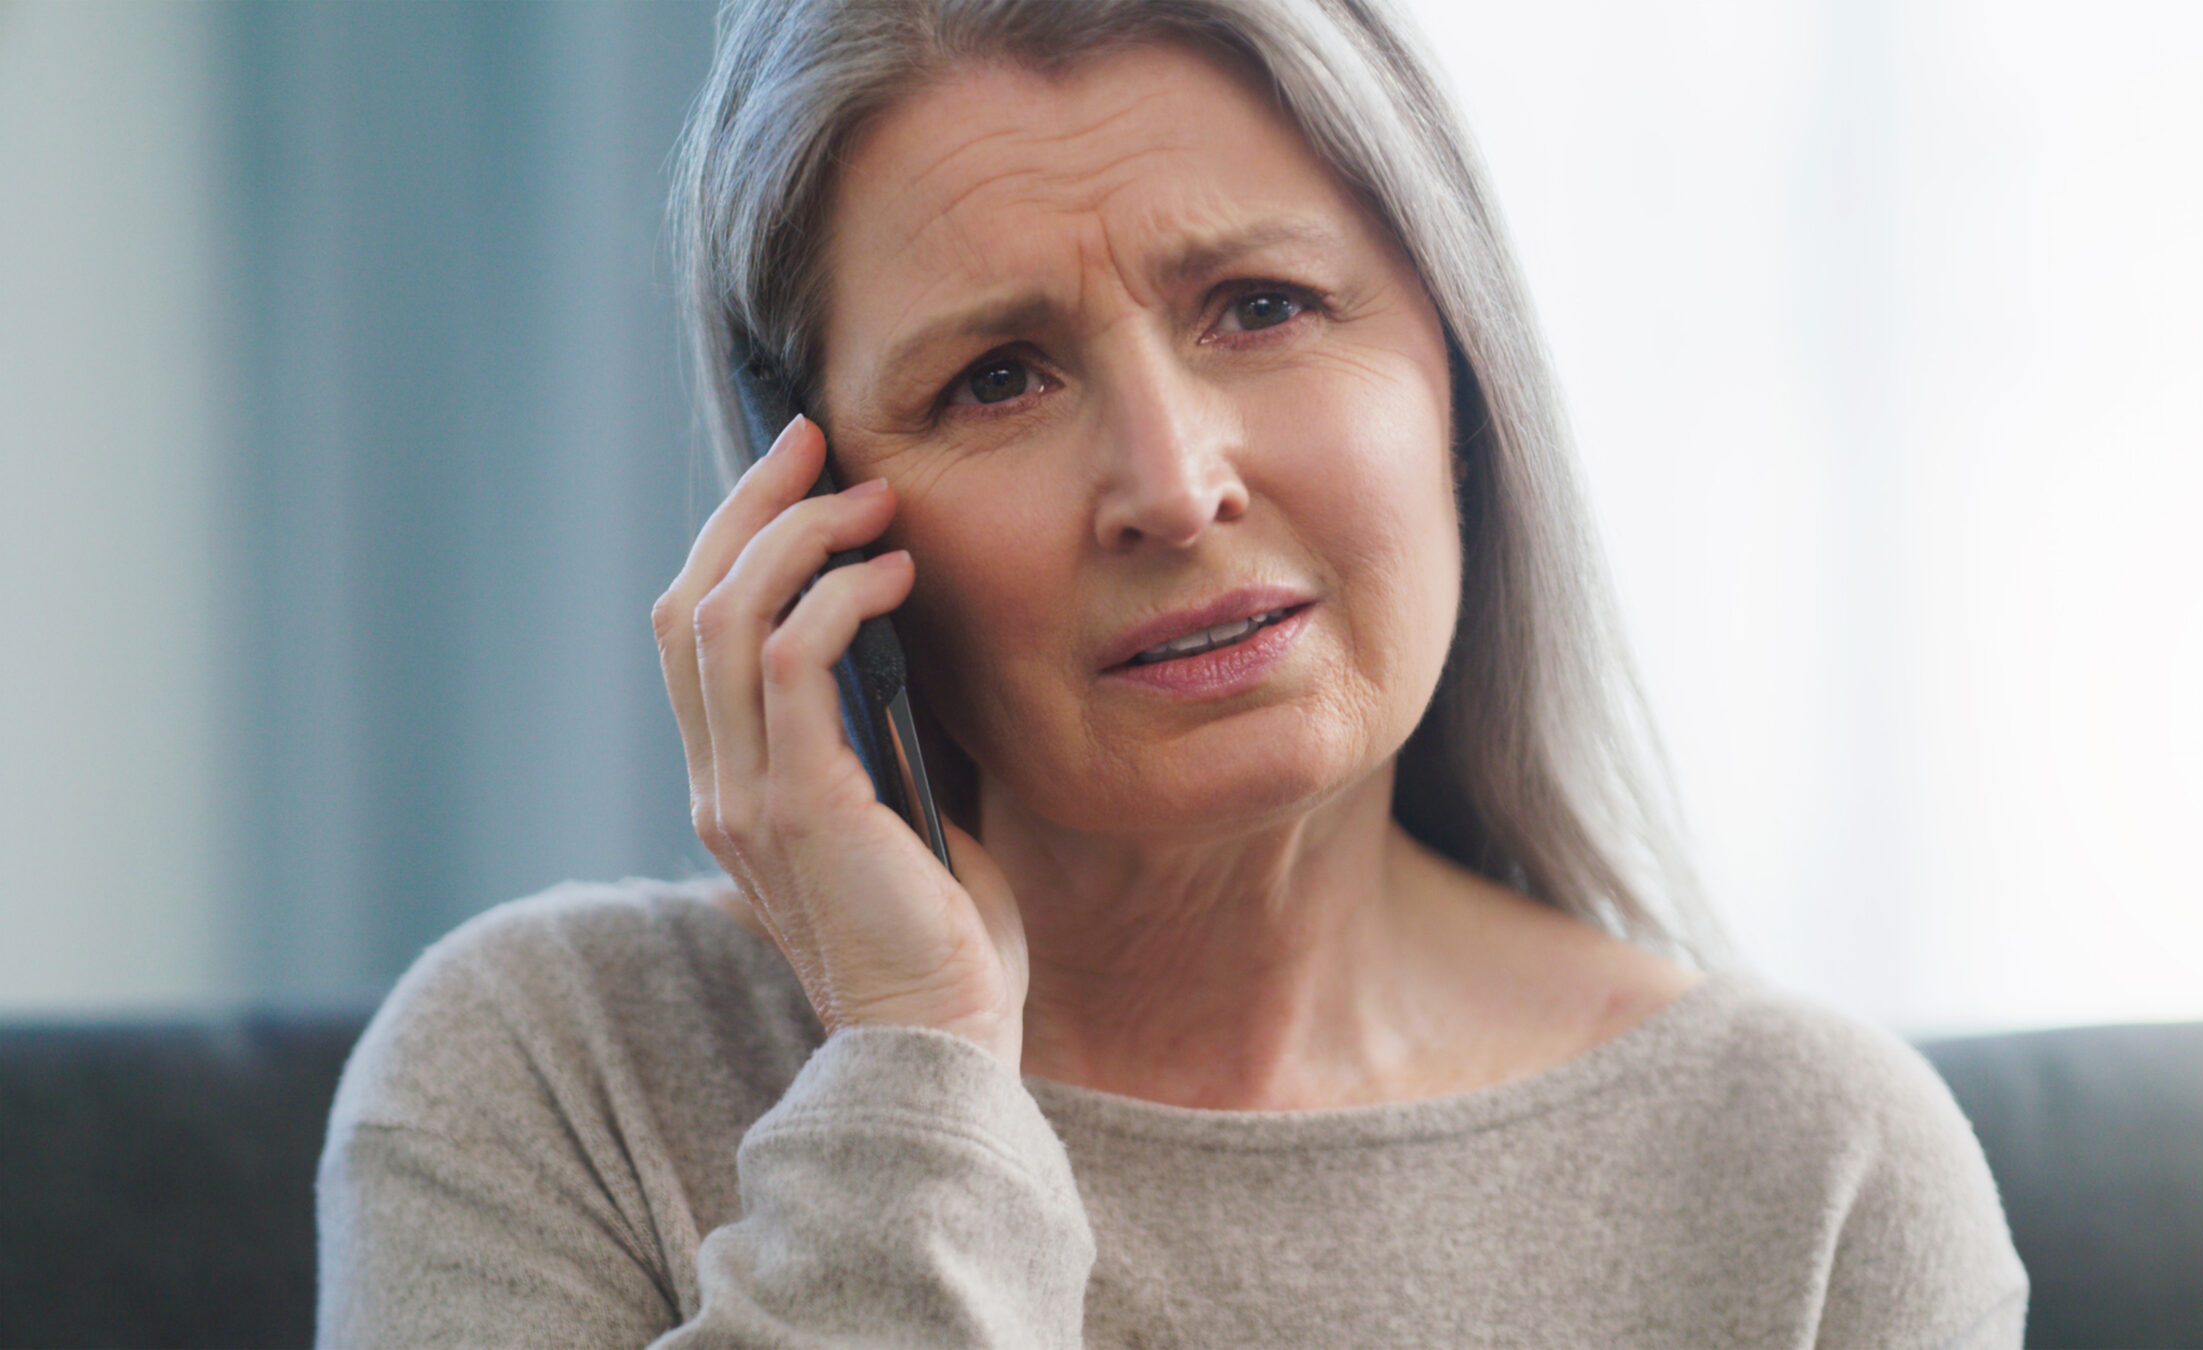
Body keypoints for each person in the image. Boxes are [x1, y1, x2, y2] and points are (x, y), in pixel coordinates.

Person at [316, 0, 2028, 1345]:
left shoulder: (1817, 1167)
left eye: (1263, 306)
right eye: (998, 377)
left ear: (1460, 382)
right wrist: (918, 1063)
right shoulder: (548, 1068)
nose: (1171, 480)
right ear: (810, 520)